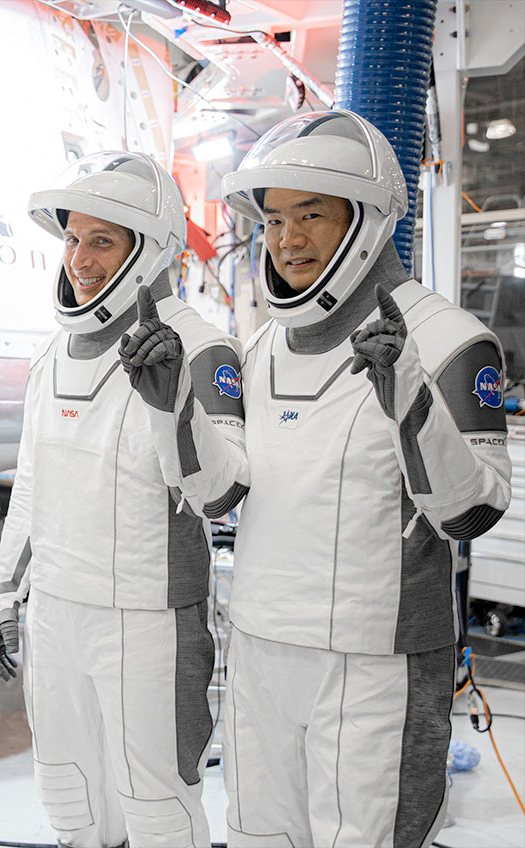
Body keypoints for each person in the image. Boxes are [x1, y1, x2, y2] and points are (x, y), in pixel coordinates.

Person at [199, 109, 511, 845]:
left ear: (367, 220)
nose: (288, 239)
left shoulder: (451, 340)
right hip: (260, 647)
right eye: (274, 221)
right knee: (257, 835)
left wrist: (410, 396)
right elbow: (233, 487)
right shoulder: (263, 343)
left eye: (311, 215)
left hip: (378, 664)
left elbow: (474, 513)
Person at [0, 151, 246, 848]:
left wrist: (172, 404)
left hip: (148, 623)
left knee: (158, 810)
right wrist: (4, 597)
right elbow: (31, 488)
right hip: (57, 617)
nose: (79, 259)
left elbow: (221, 494)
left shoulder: (203, 350)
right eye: (72, 239)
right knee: (71, 804)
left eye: (101, 240)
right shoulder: (52, 357)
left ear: (148, 249)